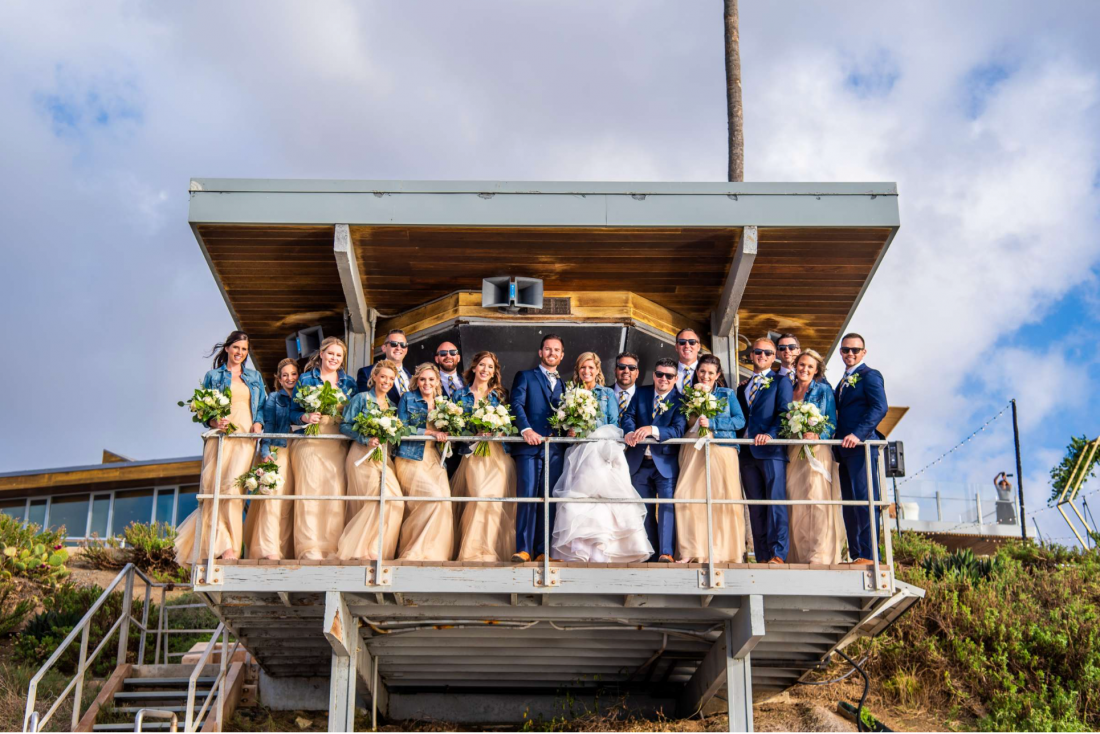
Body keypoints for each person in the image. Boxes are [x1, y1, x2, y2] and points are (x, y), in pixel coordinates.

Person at [175, 331, 267, 566]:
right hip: (220, 438)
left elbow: (263, 407)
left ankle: (231, 548)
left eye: (244, 349)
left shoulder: (254, 377)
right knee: (214, 487)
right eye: (236, 347)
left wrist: (259, 422)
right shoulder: (213, 376)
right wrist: (215, 422)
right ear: (227, 348)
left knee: (234, 490)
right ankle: (220, 543)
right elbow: (202, 410)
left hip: (245, 438)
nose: (240, 353)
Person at [551, 353, 652, 563]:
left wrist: (593, 430)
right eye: (583, 368)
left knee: (604, 500)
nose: (587, 372)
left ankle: (604, 552)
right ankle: (580, 551)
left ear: (598, 371)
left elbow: (615, 423)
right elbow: (563, 425)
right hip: (579, 452)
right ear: (578, 371)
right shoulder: (570, 393)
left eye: (591, 368)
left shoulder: (607, 393)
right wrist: (570, 430)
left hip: (601, 450)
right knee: (578, 500)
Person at [674, 355, 747, 562]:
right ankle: (691, 550)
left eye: (710, 373)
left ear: (718, 375)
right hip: (693, 449)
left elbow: (740, 421)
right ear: (697, 372)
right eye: (702, 371)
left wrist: (713, 423)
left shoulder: (727, 394)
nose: (705, 376)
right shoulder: (687, 394)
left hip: (721, 449)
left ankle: (723, 552)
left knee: (721, 499)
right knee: (686, 495)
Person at [291, 337, 356, 560]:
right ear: (321, 354)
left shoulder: (349, 383)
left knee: (334, 495)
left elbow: (353, 414)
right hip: (311, 441)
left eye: (338, 355)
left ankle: (330, 549)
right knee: (309, 493)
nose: (334, 359)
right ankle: (309, 548)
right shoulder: (306, 379)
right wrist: (305, 416)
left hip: (337, 443)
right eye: (330, 354)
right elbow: (292, 412)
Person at [451, 351, 517, 562]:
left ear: (494, 372)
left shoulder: (500, 396)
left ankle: (488, 551)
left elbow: (508, 425)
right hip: (473, 454)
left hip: (497, 456)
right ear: (474, 367)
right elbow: (454, 427)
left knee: (494, 503)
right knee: (478, 498)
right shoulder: (459, 396)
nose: (485, 370)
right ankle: (472, 551)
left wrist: (498, 430)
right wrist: (473, 434)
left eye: (490, 367)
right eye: (482, 365)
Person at [337, 359, 405, 561]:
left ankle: (373, 547)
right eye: (383, 376)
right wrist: (365, 439)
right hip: (361, 456)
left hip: (382, 457)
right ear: (374, 377)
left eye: (391, 378)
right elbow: (344, 425)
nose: (386, 381)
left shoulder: (392, 406)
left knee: (395, 501)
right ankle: (364, 550)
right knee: (375, 500)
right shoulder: (361, 398)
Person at [508, 334, 567, 562]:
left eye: (556, 350)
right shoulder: (525, 376)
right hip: (529, 447)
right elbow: (516, 404)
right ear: (540, 352)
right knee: (528, 497)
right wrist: (526, 430)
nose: (552, 353)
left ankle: (543, 551)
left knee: (549, 499)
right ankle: (523, 549)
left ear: (561, 356)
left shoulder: (564, 384)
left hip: (554, 450)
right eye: (548, 349)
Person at [622, 358, 688, 562]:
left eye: (669, 376)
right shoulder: (640, 393)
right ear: (654, 375)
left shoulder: (681, 400)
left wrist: (652, 429)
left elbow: (678, 429)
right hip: (639, 462)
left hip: (666, 464)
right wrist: (629, 431)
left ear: (676, 378)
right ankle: (650, 554)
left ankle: (665, 553)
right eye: (660, 374)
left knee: (667, 509)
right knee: (644, 510)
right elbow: (628, 416)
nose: (663, 379)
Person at [736, 337, 794, 564]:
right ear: (751, 355)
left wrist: (770, 435)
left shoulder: (782, 382)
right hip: (746, 453)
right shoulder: (743, 388)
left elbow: (784, 413)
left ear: (774, 357)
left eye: (768, 353)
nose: (762, 356)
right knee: (755, 507)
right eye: (758, 352)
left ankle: (778, 554)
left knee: (775, 503)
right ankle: (761, 557)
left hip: (771, 452)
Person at [785, 350, 845, 565]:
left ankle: (819, 553)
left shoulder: (823, 391)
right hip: (793, 450)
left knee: (816, 499)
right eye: (802, 365)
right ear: (795, 365)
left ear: (816, 370)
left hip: (817, 450)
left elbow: (831, 422)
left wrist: (818, 434)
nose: (804, 369)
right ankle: (799, 554)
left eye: (810, 366)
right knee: (796, 500)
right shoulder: (787, 390)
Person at [833, 333, 888, 565]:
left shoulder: (870, 375)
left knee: (865, 500)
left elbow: (880, 407)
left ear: (863, 352)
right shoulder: (842, 381)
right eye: (846, 350)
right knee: (850, 503)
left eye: (855, 350)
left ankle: (869, 554)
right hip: (843, 450)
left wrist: (858, 434)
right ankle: (857, 554)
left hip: (862, 447)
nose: (850, 354)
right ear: (841, 352)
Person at [395, 363, 454, 561]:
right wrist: (431, 433)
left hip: (436, 459)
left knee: (444, 501)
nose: (426, 383)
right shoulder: (408, 398)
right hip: (411, 457)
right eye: (422, 379)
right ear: (416, 381)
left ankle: (434, 553)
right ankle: (414, 550)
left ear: (438, 381)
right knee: (432, 497)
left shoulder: (444, 403)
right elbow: (401, 428)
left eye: (431, 379)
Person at [244, 358, 298, 561]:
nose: (289, 378)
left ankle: (285, 549)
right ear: (279, 379)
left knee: (289, 503)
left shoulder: (303, 399)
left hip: (298, 452)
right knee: (272, 499)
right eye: (285, 375)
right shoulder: (274, 398)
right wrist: (265, 451)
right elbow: (268, 426)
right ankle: (268, 548)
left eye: (293, 374)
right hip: (278, 451)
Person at [434, 341, 466, 478]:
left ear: (458, 357)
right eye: (443, 353)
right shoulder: (429, 382)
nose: (448, 356)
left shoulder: (469, 382)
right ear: (437, 359)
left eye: (453, 353)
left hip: (465, 446)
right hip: (439, 445)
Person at [356, 330, 411, 402]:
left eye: (403, 345)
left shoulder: (411, 376)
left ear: (406, 349)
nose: (398, 348)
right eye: (394, 344)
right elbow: (363, 404)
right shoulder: (367, 373)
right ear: (384, 348)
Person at [611, 352, 640, 424]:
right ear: (615, 371)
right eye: (622, 367)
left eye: (632, 368)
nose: (626, 371)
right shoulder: (603, 393)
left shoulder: (646, 398)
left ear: (637, 373)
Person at [674, 328, 701, 394]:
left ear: (698, 347)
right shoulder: (666, 373)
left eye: (692, 342)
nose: (687, 346)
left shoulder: (710, 373)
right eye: (682, 342)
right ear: (676, 347)